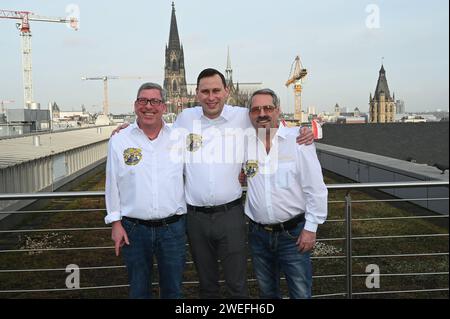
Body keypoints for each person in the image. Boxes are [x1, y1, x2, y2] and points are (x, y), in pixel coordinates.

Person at [112, 68, 315, 298]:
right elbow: (157, 128)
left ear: (226, 91)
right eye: (205, 91)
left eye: (216, 90)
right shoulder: (185, 119)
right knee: (206, 285)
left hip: (231, 215)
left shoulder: (242, 116)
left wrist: (301, 131)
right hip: (195, 218)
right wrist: (128, 128)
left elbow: (269, 123)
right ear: (196, 93)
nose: (211, 97)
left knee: (237, 285)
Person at [243, 88, 328, 299]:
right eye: (256, 109)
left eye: (268, 108)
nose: (262, 113)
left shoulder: (298, 140)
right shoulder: (244, 144)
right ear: (250, 114)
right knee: (267, 293)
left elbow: (315, 187)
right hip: (258, 234)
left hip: (293, 235)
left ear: (278, 110)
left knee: (300, 292)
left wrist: (311, 228)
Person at [105, 82, 187, 299]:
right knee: (139, 291)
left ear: (164, 107)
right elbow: (111, 183)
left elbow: (202, 168)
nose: (148, 106)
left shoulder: (179, 139)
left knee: (173, 291)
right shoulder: (119, 140)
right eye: (143, 101)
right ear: (135, 105)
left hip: (173, 229)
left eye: (155, 101)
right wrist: (115, 223)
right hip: (134, 230)